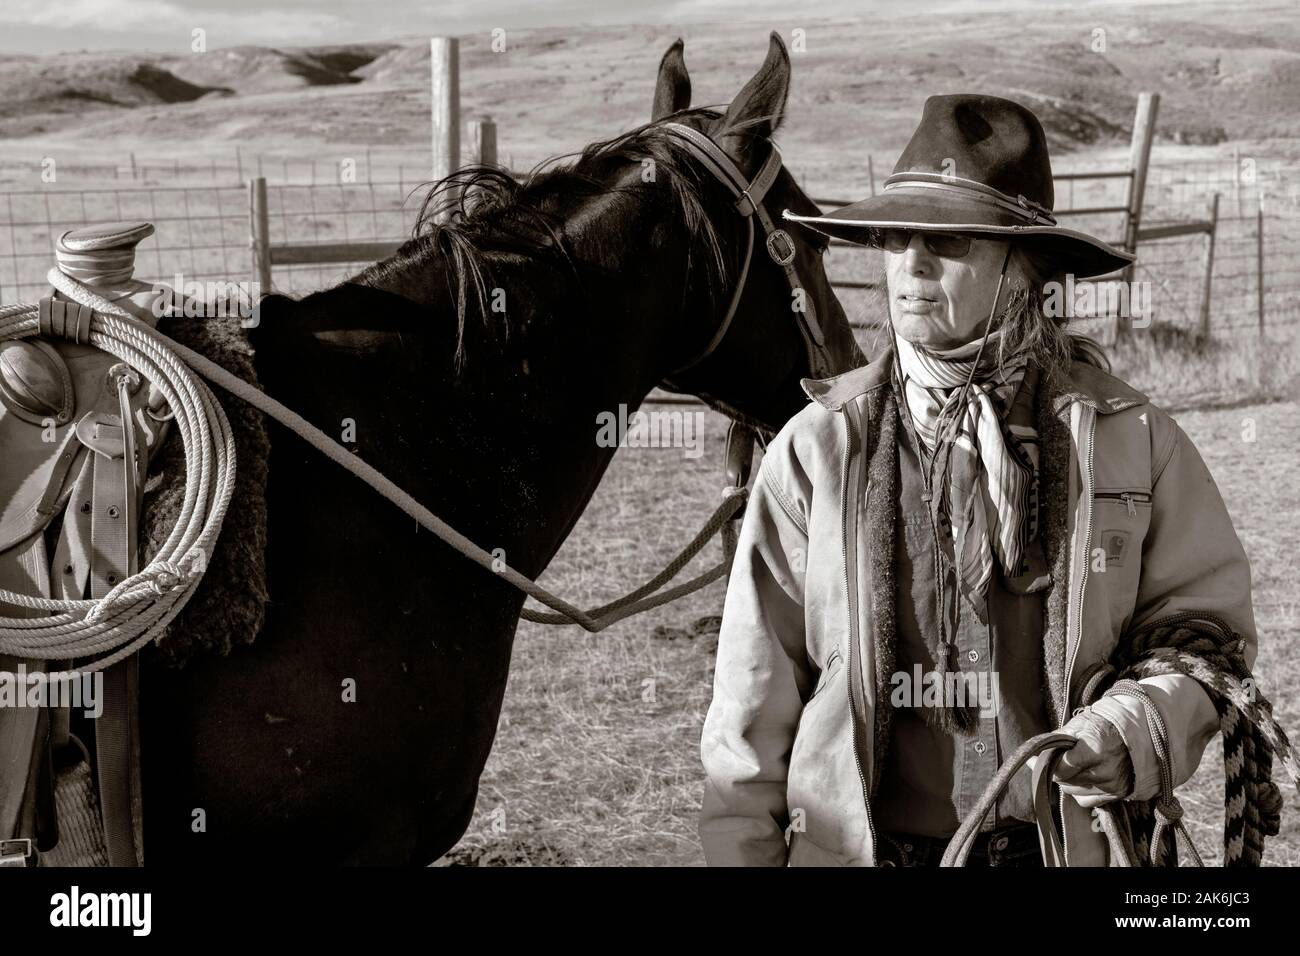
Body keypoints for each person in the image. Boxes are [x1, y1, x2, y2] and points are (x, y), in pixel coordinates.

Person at [698, 93, 1257, 866]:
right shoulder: (820, 448)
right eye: (896, 237)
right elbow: (751, 705)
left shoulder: (1132, 441)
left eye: (949, 240)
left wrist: (1133, 728)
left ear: (1023, 267)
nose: (911, 265)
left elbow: (1205, 632)